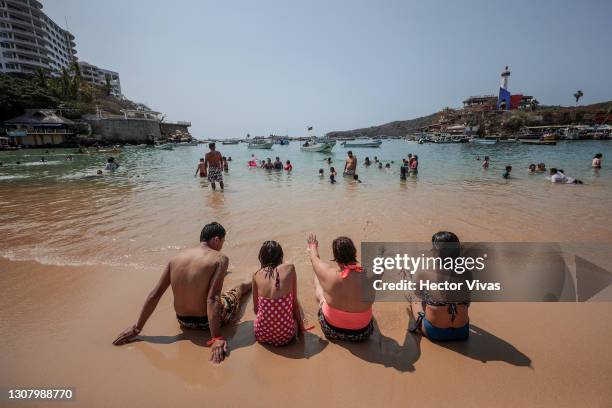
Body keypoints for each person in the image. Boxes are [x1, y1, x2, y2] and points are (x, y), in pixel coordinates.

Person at [112, 222, 251, 364]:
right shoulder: (220, 258)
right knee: (237, 290)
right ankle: (252, 282)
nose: (222, 246)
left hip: (183, 321)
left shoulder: (175, 259)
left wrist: (137, 327)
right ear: (216, 240)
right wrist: (216, 338)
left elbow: (155, 294)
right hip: (205, 324)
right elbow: (212, 299)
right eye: (222, 241)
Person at [307, 233, 374, 342]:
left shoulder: (328, 273)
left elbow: (314, 258)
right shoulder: (372, 274)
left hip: (332, 330)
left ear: (335, 258)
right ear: (355, 253)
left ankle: (321, 299)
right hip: (363, 333)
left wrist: (313, 245)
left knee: (318, 277)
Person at [409, 231, 470, 342]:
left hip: (436, 332)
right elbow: (468, 302)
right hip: (462, 331)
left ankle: (421, 320)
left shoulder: (423, 272)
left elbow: (418, 294)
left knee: (415, 298)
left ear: (436, 252)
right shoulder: (467, 272)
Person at [252, 241, 306, 346]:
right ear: (281, 256)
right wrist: (302, 328)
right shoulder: (290, 268)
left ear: (262, 257)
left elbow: (256, 310)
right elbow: (294, 306)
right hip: (285, 337)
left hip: (261, 335)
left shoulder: (256, 275)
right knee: (295, 300)